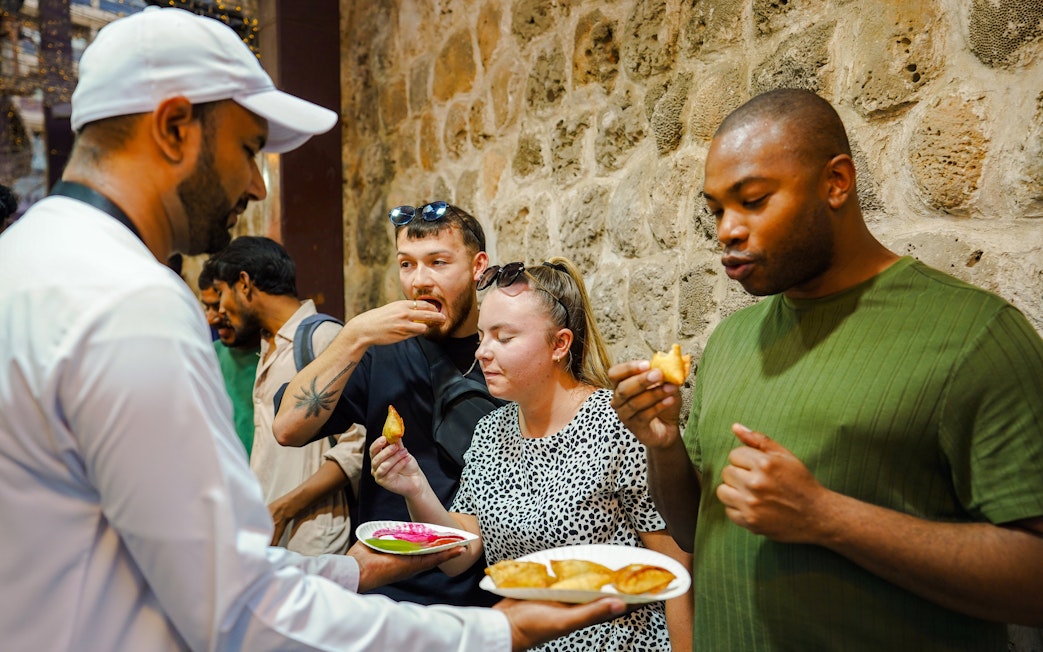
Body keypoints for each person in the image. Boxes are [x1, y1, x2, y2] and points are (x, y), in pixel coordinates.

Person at [0, 7, 624, 651]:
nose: (255, 183)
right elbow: (237, 606)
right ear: (174, 126)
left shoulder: (28, 259)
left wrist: (352, 570)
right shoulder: (129, 300)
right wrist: (494, 633)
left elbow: (193, 567)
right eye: (248, 149)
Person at [609, 87, 1043, 651]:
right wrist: (663, 445)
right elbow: (695, 532)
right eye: (715, 210)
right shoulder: (733, 340)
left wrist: (825, 516)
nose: (727, 231)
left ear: (836, 182)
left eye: (753, 200)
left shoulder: (973, 334)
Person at [371, 256, 694, 651]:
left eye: (504, 338)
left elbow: (676, 566)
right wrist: (415, 487)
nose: (482, 352)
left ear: (559, 344)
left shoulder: (619, 424)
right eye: (482, 337)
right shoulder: (490, 431)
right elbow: (459, 556)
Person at [273, 201, 505, 607]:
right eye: (406, 264)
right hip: (389, 592)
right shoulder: (380, 351)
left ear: (478, 266)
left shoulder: (507, 349)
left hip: (486, 589)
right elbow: (287, 428)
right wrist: (354, 335)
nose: (420, 280)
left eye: (438, 262)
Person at [201, 235, 364, 555]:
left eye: (221, 293)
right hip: (273, 534)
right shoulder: (269, 344)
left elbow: (357, 445)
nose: (219, 309)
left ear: (244, 284)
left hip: (312, 540)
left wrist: (285, 508)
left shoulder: (323, 337)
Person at [199, 265, 262, 459]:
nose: (211, 318)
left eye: (218, 305)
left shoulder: (281, 354)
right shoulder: (209, 357)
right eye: (207, 307)